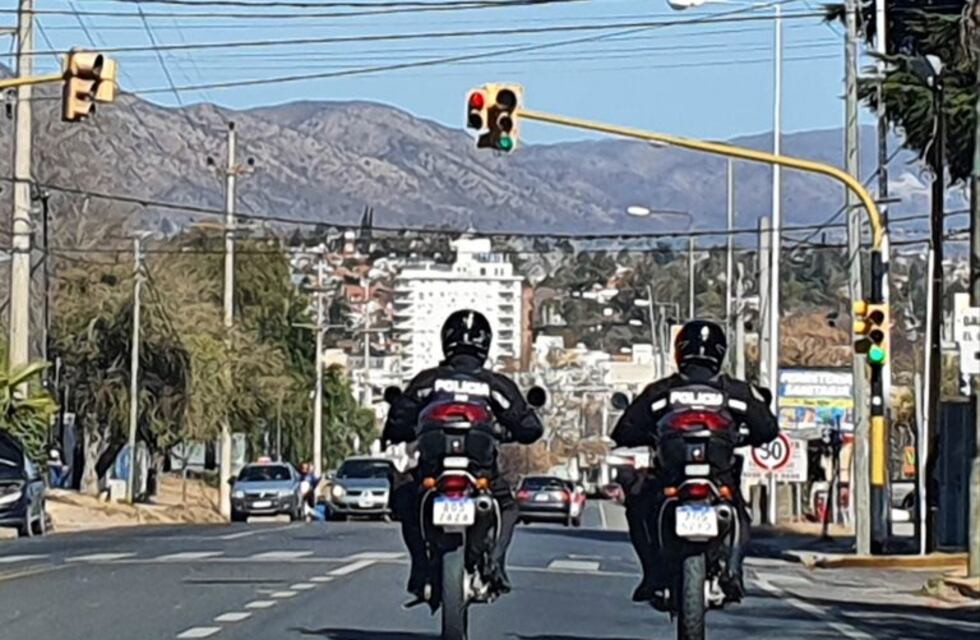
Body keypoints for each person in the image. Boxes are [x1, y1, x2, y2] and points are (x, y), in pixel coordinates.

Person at [611, 319, 778, 606]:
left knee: (639, 503)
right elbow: (767, 428)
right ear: (720, 352)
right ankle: (733, 573)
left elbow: (624, 430)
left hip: (671, 474)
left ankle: (652, 575)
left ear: (680, 351)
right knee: (738, 510)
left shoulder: (660, 391)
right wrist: (744, 437)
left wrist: (646, 436)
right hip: (718, 474)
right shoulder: (736, 392)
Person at [383, 309, 544, 603]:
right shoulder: (494, 384)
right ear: (485, 344)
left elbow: (400, 416)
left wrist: (396, 431)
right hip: (480, 471)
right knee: (508, 506)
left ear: (446, 340)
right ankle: (496, 565)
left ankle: (419, 567)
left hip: (433, 470)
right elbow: (528, 426)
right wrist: (514, 430)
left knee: (407, 496)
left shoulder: (428, 381)